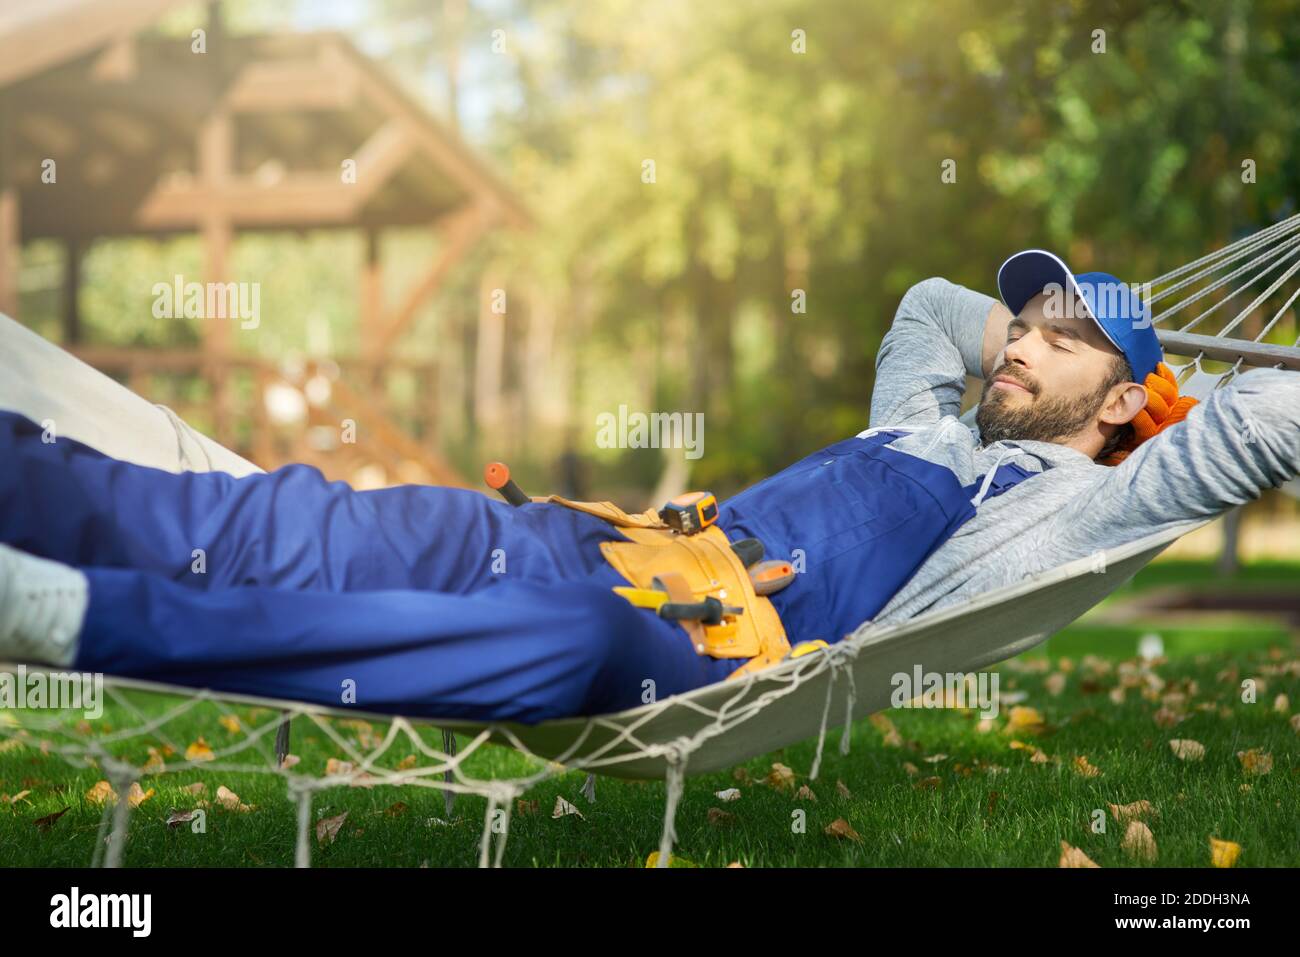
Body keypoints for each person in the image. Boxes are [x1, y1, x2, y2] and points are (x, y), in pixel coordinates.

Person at [2, 249, 1298, 724]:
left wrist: (1168, 403)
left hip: (694, 650)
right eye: (1025, 320)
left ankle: (70, 617)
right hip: (591, 536)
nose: (1015, 340)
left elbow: (1260, 422)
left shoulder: (1080, 512)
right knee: (291, 515)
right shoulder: (919, 417)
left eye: (1060, 336)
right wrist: (1082, 324)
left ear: (1126, 400)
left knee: (569, 638)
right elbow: (934, 305)